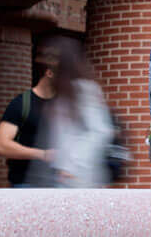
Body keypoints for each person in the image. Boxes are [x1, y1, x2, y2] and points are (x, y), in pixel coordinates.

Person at [36, 36, 114, 188]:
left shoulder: (85, 90)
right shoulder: (62, 95)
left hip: (80, 177)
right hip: (60, 178)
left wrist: (73, 164)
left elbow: (101, 131)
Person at [0, 45, 57, 187]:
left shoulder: (64, 105)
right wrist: (43, 155)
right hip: (26, 185)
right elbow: (1, 145)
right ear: (49, 73)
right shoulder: (22, 103)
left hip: (59, 186)